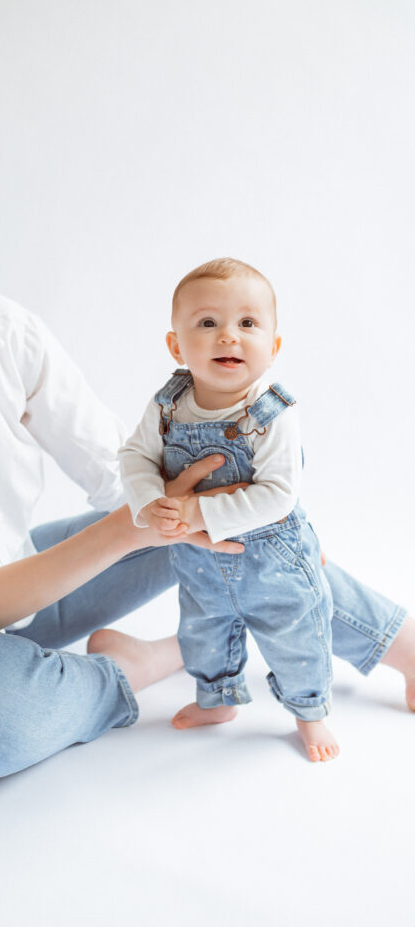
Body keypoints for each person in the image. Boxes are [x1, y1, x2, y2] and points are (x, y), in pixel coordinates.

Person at [0, 156, 413, 780]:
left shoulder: (4, 334)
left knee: (217, 499)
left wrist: (256, 537)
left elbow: (116, 468)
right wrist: (142, 528)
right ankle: (139, 663)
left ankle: (401, 643)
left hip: (18, 573)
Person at [120, 259, 338, 760]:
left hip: (274, 563)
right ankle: (217, 701)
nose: (228, 337)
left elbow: (279, 494)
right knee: (203, 635)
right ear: (176, 345)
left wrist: (195, 512)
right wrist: (150, 502)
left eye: (247, 324)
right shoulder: (168, 405)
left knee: (298, 639)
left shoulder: (272, 413)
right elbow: (135, 456)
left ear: (273, 347)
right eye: (207, 323)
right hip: (201, 567)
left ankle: (310, 713)